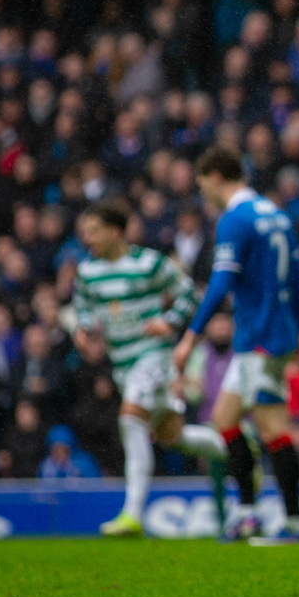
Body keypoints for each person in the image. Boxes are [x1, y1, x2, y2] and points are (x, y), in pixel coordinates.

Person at [174, 146, 299, 544]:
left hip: (259, 339)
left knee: (272, 427)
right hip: (271, 334)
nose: (203, 193)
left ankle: (294, 523)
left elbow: (221, 283)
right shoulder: (276, 214)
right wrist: (294, 329)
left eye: (202, 184)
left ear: (215, 177)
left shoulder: (234, 219)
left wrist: (190, 336)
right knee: (225, 419)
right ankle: (249, 514)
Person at [72, 200, 223, 535]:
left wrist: (168, 321)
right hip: (122, 363)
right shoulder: (87, 272)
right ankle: (235, 450)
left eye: (93, 231)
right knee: (174, 437)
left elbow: (190, 294)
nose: (87, 239)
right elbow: (83, 305)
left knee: (130, 418)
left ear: (115, 232)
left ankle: (132, 514)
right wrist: (83, 329)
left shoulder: (149, 263)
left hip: (154, 356)